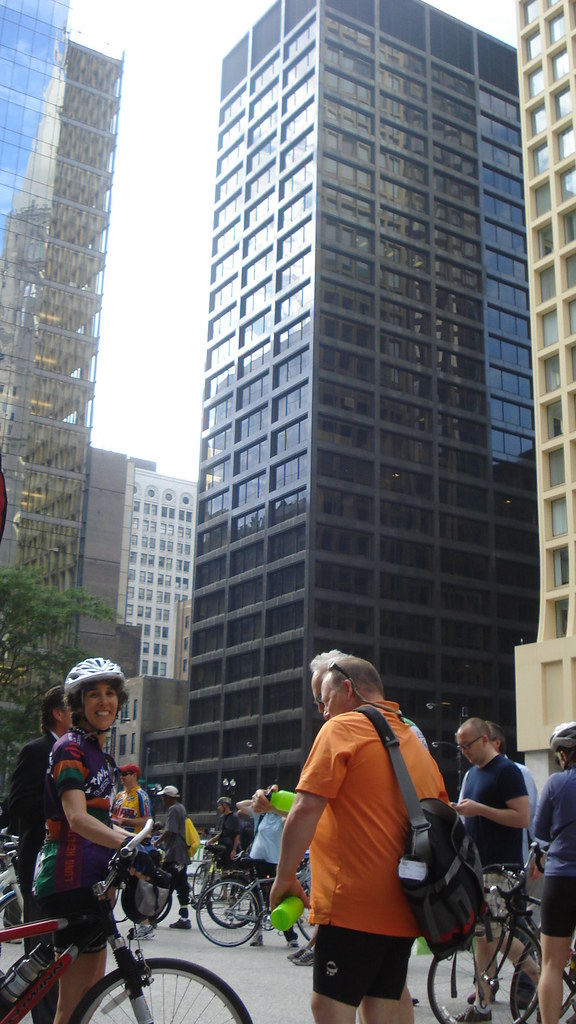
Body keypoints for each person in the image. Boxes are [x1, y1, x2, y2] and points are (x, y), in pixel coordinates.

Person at [271, 655, 449, 1024]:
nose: (324, 712)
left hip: (353, 905)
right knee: (382, 1008)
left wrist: (284, 878)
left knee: (330, 1007)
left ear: (347, 689)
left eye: (325, 699)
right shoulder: (415, 745)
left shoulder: (343, 729)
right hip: (405, 905)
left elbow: (305, 809)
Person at [34, 658, 133, 1024]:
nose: (104, 701)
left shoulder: (99, 754)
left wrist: (139, 845)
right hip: (69, 877)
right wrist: (124, 846)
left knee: (87, 1000)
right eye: (94, 694)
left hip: (91, 880)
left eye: (110, 693)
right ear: (77, 704)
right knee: (73, 1004)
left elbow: (101, 820)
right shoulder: (70, 748)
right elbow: (76, 818)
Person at [453, 717, 532, 1022]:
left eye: (467, 745)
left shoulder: (507, 771)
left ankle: (535, 972)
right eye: (460, 747)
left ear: (485, 739)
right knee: (481, 936)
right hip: (477, 865)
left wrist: (480, 809)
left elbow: (522, 817)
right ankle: (483, 1004)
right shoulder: (472, 774)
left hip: (501, 867)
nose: (464, 752)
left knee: (495, 933)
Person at [5, 686, 71, 1024]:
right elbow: (15, 804)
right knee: (43, 952)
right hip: (39, 866)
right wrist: (63, 807)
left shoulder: (76, 751)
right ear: (57, 713)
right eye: (71, 706)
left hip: (73, 866)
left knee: (65, 951)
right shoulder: (36, 751)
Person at [532, 722, 576, 1024]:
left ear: (564, 754)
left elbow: (538, 830)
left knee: (551, 965)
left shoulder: (557, 784)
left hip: (561, 878)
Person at [236, 785, 299, 949]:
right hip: (257, 858)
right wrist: (260, 798)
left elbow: (291, 815)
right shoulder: (260, 815)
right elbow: (240, 805)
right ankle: (257, 934)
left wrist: (274, 806)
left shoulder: (280, 817)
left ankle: (289, 935)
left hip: (275, 861)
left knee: (278, 897)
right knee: (257, 898)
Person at [112, 764, 154, 939]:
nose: (121, 777)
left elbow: (147, 819)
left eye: (125, 774)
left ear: (135, 775)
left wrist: (125, 822)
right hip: (116, 844)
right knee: (111, 883)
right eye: (120, 774)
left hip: (134, 846)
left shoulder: (141, 795)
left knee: (135, 885)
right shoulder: (119, 796)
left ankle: (145, 925)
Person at [156, 784, 191, 930]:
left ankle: (153, 915)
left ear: (170, 798)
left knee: (166, 884)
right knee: (181, 886)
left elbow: (170, 831)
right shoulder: (181, 808)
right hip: (182, 855)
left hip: (174, 854)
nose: (162, 799)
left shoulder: (173, 809)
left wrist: (156, 841)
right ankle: (184, 917)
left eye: (164, 797)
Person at [208, 796, 241, 868]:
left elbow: (237, 835)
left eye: (219, 805)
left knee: (229, 869)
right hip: (223, 847)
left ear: (225, 805)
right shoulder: (222, 818)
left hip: (230, 848)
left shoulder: (234, 818)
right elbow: (222, 833)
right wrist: (212, 840)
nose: (218, 808)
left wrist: (234, 850)